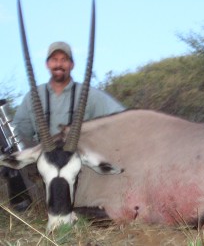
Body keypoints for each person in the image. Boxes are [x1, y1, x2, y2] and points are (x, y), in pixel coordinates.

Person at [4, 41, 125, 211]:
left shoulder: (89, 94)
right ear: (48, 64)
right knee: (9, 158)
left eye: (64, 59)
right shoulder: (33, 96)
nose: (59, 64)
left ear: (71, 64)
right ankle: (24, 208)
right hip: (44, 163)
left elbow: (121, 117)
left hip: (78, 165)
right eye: (54, 59)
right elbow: (18, 133)